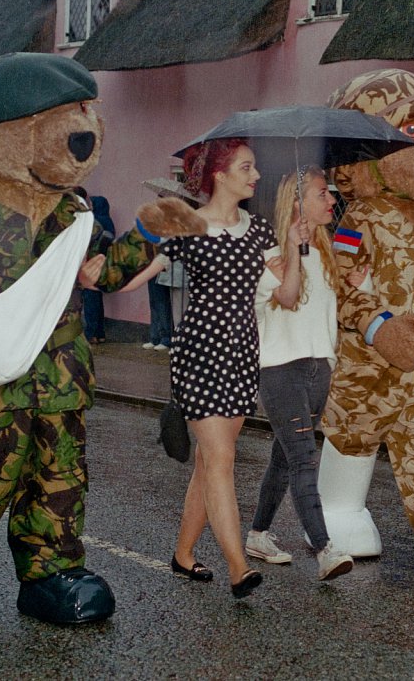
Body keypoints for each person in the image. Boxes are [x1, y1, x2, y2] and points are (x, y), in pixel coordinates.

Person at [128, 139, 277, 598]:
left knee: (210, 461)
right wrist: (90, 278)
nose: (255, 175)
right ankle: (238, 567)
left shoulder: (261, 229)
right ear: (220, 175)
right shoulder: (188, 227)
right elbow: (140, 273)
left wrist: (297, 246)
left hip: (242, 355)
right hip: (199, 354)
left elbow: (288, 291)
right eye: (246, 167)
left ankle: (183, 554)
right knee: (221, 459)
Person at [247, 166, 355, 581]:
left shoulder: (326, 252)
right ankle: (325, 549)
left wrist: (357, 284)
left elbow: (326, 313)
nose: (331, 200)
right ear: (297, 203)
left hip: (318, 368)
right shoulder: (271, 255)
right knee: (305, 459)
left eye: (330, 193)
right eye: (321, 194)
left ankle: (258, 534)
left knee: (285, 457)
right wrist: (293, 248)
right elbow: (289, 298)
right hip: (281, 371)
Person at [78, 189, 115, 343]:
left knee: (90, 299)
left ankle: (91, 334)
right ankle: (100, 333)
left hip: (91, 263)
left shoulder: (94, 222)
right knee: (97, 298)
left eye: (93, 204)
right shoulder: (108, 222)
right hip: (102, 264)